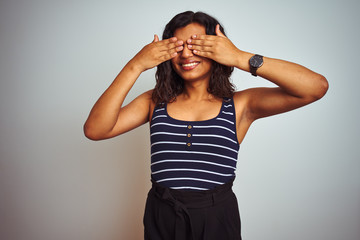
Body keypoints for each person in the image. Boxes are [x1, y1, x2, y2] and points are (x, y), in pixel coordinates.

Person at [84, 11, 328, 240]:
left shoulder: (241, 105)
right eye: (178, 47)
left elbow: (315, 87)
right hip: (162, 215)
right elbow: (95, 129)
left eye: (197, 45)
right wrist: (135, 65)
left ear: (216, 49)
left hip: (217, 218)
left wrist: (239, 57)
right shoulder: (154, 101)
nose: (187, 55)